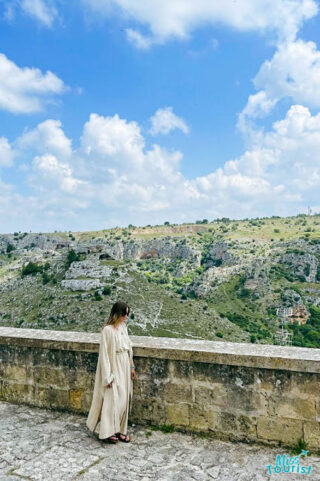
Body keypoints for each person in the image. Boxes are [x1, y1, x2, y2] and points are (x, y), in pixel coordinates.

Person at [86, 300, 137, 443]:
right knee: (112, 400)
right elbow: (104, 355)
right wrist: (108, 376)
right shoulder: (107, 330)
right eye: (124, 314)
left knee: (124, 400)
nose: (126, 317)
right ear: (117, 313)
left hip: (124, 364)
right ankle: (107, 432)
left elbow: (129, 348)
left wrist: (132, 366)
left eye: (127, 314)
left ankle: (121, 430)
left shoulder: (123, 327)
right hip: (114, 367)